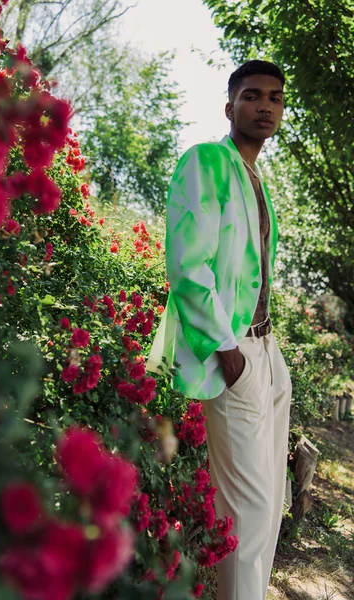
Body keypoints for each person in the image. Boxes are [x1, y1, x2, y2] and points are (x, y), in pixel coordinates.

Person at [146, 60, 292, 600]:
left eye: (275, 98)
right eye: (252, 96)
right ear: (229, 107)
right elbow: (188, 265)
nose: (265, 106)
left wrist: (264, 357)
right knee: (249, 511)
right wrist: (227, 350)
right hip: (235, 354)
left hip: (267, 352)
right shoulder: (207, 162)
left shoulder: (256, 178)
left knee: (268, 507)